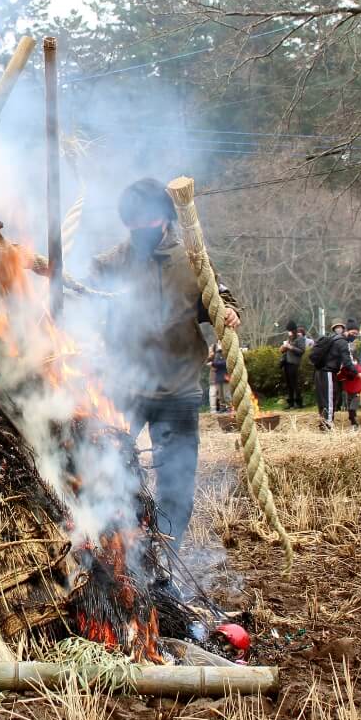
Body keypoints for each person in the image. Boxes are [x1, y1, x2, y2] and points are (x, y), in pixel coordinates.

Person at [92, 177, 241, 546]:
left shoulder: (192, 261)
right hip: (125, 389)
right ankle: (121, 550)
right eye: (131, 222)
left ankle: (166, 557)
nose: (137, 229)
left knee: (176, 483)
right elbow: (82, 296)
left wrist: (229, 313)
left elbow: (220, 299)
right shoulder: (113, 262)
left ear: (162, 218)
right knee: (107, 470)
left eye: (144, 220)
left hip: (178, 389)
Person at [309, 319, 358, 431]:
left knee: (322, 400)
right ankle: (328, 424)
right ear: (347, 331)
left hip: (319, 372)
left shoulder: (332, 339)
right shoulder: (342, 342)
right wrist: (357, 373)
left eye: (356, 334)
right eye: (353, 333)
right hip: (328, 372)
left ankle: (323, 423)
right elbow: (347, 361)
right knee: (329, 399)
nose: (354, 336)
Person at [280, 321, 308, 409]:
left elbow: (301, 351)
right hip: (287, 363)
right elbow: (283, 350)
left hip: (294, 363)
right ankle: (290, 402)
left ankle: (298, 402)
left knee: (295, 383)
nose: (289, 332)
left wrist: (290, 347)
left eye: (290, 330)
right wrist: (284, 347)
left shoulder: (300, 339)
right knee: (288, 384)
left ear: (294, 330)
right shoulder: (289, 338)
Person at [206, 341, 228, 413]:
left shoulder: (226, 349)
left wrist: (213, 364)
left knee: (225, 393)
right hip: (214, 376)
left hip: (224, 375)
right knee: (213, 394)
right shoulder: (213, 347)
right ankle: (213, 410)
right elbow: (206, 360)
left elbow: (225, 362)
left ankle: (227, 408)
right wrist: (210, 355)